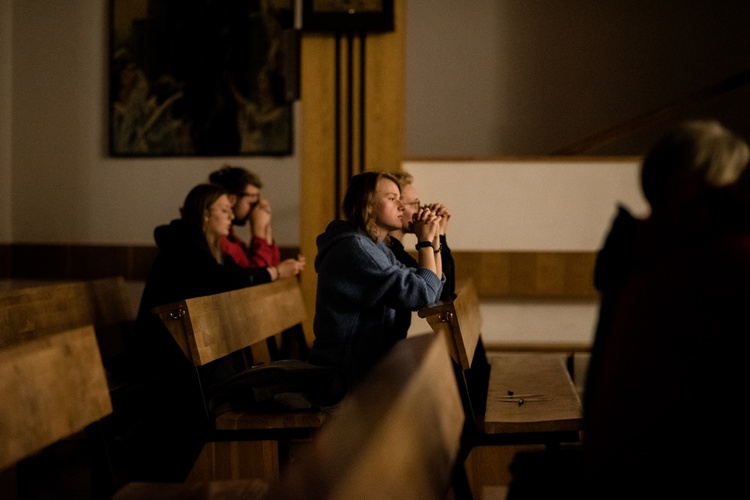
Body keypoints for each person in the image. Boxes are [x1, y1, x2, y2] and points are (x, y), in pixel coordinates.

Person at [581, 120, 750, 498]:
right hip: (666, 475)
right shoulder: (711, 257)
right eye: (733, 182)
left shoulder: (643, 242)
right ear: (695, 187)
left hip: (625, 467)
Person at [129, 183, 303, 481]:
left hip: (189, 347)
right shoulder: (186, 244)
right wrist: (274, 272)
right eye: (224, 210)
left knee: (242, 382)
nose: (231, 217)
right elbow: (221, 281)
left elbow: (230, 276)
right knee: (237, 388)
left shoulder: (207, 246)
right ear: (204, 214)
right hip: (167, 350)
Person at [308, 171, 445, 387]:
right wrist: (425, 241)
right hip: (346, 374)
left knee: (436, 375)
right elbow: (422, 294)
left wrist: (434, 240)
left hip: (369, 365)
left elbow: (433, 290)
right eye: (392, 199)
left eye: (400, 198)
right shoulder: (356, 247)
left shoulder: (376, 246)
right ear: (368, 205)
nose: (401, 206)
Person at [387, 170, 456, 340]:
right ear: (397, 207)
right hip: (385, 353)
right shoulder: (390, 253)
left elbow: (445, 290)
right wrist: (428, 240)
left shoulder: (397, 250)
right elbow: (437, 296)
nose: (421, 210)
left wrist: (439, 235)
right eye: (414, 204)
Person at [208, 164, 305, 272]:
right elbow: (257, 277)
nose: (256, 210)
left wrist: (266, 230)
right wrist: (258, 231)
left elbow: (270, 268)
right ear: (232, 199)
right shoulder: (219, 239)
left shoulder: (232, 237)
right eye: (252, 203)